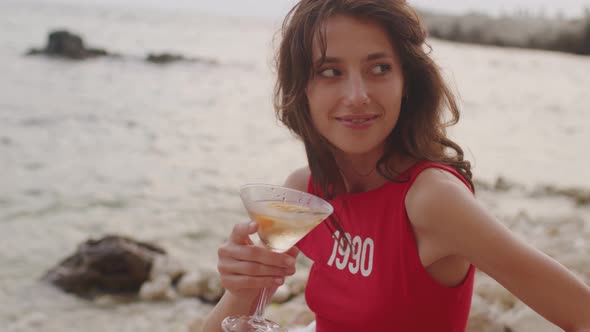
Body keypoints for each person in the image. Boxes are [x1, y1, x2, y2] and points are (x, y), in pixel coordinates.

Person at [201, 0, 590, 331]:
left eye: (379, 68)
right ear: (302, 88)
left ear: (407, 81)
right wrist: (242, 287)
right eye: (330, 71)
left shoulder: (432, 199)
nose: (357, 95)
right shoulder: (306, 191)